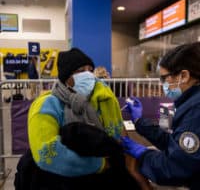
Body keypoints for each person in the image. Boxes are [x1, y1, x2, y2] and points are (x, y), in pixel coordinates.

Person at [15, 47, 146, 190]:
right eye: (81, 71)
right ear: (67, 77)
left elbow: (117, 134)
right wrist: (101, 164)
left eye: (90, 70)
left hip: (101, 176)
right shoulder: (47, 105)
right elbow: (47, 154)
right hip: (59, 178)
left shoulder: (102, 99)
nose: (88, 75)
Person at [120, 42, 200, 190]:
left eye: (164, 78)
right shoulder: (190, 103)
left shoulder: (196, 111)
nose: (162, 84)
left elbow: (174, 169)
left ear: (184, 75)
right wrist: (139, 121)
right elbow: (173, 142)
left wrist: (143, 154)